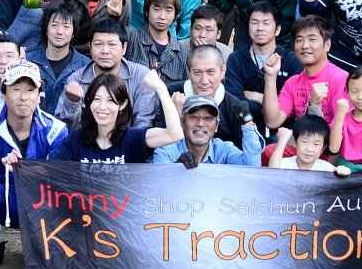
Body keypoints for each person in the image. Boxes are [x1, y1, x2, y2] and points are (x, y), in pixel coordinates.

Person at [0, 62, 69, 228]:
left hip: (41, 203)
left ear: (38, 96)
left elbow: (58, 181)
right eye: (16, 89)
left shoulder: (56, 129)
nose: (24, 97)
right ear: (3, 94)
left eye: (30, 90)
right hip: (4, 199)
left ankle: (47, 240)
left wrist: (24, 169)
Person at [49, 71, 182, 162]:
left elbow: (174, 134)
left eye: (110, 101)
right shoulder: (76, 139)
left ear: (122, 104)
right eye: (97, 99)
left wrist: (161, 89)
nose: (102, 106)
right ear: (89, 102)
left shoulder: (133, 139)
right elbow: (52, 172)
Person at [55, 16, 164, 127]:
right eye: (98, 44)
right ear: (90, 47)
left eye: (112, 44)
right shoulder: (76, 80)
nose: (105, 51)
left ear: (124, 48)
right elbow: (62, 130)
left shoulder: (141, 76)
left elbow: (144, 125)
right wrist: (72, 103)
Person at [261, 14, 348, 131]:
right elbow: (272, 121)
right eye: (299, 40)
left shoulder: (340, 79)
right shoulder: (292, 83)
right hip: (304, 140)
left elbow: (342, 130)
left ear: (327, 45)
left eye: (312, 39)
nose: (305, 46)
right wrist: (270, 76)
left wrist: (313, 106)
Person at [176, 43, 262, 160]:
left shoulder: (234, 106)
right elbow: (163, 148)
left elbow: (248, 161)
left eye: (211, 72)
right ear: (188, 72)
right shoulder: (171, 95)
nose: (204, 81)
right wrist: (175, 116)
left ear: (223, 71)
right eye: (197, 72)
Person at [226, 2, 298, 121]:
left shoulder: (292, 60)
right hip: (245, 126)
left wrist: (256, 96)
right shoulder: (235, 59)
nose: (260, 28)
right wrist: (273, 109)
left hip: (283, 129)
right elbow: (234, 102)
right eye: (254, 23)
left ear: (278, 29)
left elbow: (295, 104)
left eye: (266, 23)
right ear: (248, 28)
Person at [152, 94, 254, 166]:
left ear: (216, 126)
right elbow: (160, 182)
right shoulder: (166, 149)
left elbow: (252, 170)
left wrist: (248, 122)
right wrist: (177, 167)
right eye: (194, 117)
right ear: (182, 123)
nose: (200, 124)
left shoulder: (224, 150)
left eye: (208, 118)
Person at [126, 0, 191, 90]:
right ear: (147, 11)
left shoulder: (183, 53)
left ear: (175, 15)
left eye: (168, 10)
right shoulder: (131, 37)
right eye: (156, 9)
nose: (162, 16)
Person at [270, 114, 337, 171]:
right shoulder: (287, 164)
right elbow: (273, 171)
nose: (309, 149)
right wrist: (282, 140)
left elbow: (337, 172)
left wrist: (341, 170)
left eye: (316, 144)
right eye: (304, 142)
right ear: (295, 142)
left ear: (323, 148)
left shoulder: (324, 168)